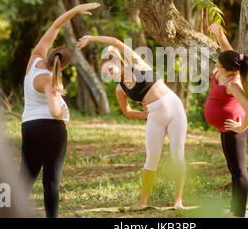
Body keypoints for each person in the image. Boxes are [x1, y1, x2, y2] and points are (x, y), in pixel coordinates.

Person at [77, 35, 187, 209]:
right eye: (106, 74)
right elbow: (127, 112)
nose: (110, 75)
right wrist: (145, 115)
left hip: (175, 110)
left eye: (111, 70)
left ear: (120, 62)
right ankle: (143, 202)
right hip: (154, 117)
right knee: (151, 159)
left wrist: (91, 38)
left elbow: (115, 42)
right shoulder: (120, 89)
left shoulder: (137, 64)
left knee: (177, 156)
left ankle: (178, 201)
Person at [20, 3, 100, 217]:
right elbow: (55, 112)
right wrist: (62, 109)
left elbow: (55, 27)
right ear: (62, 66)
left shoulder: (35, 59)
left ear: (50, 54)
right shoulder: (50, 81)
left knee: (25, 177)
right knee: (51, 181)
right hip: (52, 129)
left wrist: (74, 10)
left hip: (29, 126)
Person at [204, 23, 248, 218]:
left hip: (235, 130)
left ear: (229, 70)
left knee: (238, 173)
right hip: (228, 128)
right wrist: (219, 33)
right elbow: (230, 53)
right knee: (233, 170)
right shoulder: (230, 66)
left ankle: (238, 214)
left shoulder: (233, 84)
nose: (216, 64)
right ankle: (235, 211)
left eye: (219, 64)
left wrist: (240, 127)